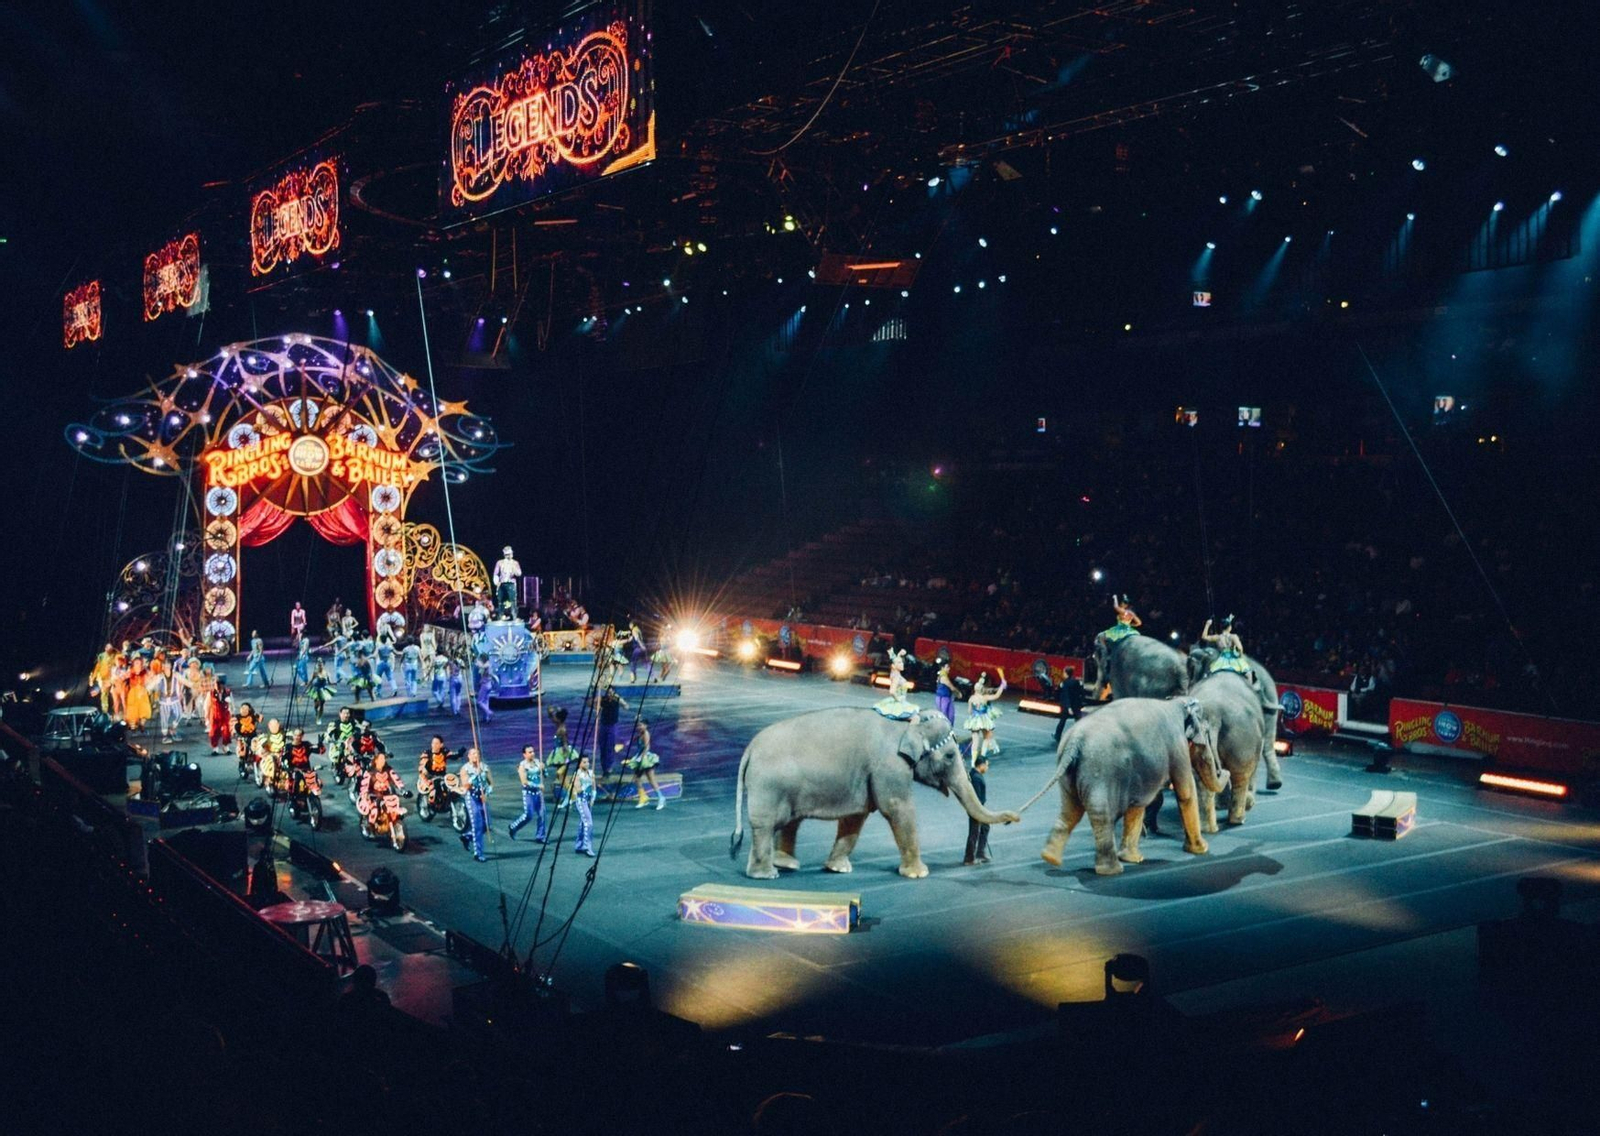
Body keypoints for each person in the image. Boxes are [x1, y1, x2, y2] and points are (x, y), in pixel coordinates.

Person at [457, 747, 493, 862]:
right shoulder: (465, 769)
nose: (475, 756)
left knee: (487, 826)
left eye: (477, 754)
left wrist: (487, 793)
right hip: (472, 798)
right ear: (468, 756)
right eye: (472, 754)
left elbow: (491, 783)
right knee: (477, 826)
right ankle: (478, 853)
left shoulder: (484, 767)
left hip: (482, 798)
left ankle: (467, 836)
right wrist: (474, 776)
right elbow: (466, 786)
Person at [963, 669, 1007, 761]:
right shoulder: (985, 698)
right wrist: (1002, 686)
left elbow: (969, 711)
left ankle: (973, 761)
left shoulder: (971, 698)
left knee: (975, 740)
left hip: (975, 720)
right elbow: (996, 695)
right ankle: (983, 756)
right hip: (983, 719)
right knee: (986, 738)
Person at [623, 720, 666, 810]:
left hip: (645, 759)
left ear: (646, 725)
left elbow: (647, 747)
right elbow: (635, 739)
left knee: (651, 779)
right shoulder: (640, 734)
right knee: (637, 779)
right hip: (640, 756)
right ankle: (643, 797)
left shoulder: (646, 733)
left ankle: (661, 797)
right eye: (638, 725)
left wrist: (642, 759)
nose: (639, 727)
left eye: (641, 725)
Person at [508, 744, 547, 842]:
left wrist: (544, 769)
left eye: (533, 751)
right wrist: (538, 786)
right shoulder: (522, 766)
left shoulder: (538, 762)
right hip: (528, 793)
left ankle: (540, 836)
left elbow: (545, 775)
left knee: (542, 814)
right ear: (524, 755)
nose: (532, 754)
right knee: (528, 815)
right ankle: (514, 827)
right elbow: (524, 782)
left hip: (538, 793)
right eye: (530, 752)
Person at [1201, 615, 1255, 684]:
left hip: (1221, 660)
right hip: (1233, 658)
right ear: (1229, 627)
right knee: (1248, 674)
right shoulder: (1233, 636)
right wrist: (1240, 656)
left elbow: (1204, 637)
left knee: (1208, 673)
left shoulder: (1217, 637)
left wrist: (1207, 624)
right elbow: (1240, 648)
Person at [962, 754, 992, 865]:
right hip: (976, 809)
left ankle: (980, 852)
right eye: (987, 766)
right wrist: (979, 812)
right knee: (974, 832)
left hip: (978, 808)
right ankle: (969, 858)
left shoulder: (974, 774)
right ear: (982, 765)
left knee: (985, 827)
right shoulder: (976, 778)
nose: (987, 768)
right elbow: (977, 798)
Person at [872, 649, 918, 720]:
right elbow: (892, 691)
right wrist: (898, 699)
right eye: (899, 663)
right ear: (893, 666)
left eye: (902, 662)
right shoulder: (896, 677)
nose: (902, 664)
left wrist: (899, 654)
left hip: (901, 700)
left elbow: (894, 660)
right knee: (915, 718)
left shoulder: (895, 673)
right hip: (898, 702)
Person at [547, 707, 578, 806]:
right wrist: (551, 711)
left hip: (563, 754)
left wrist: (566, 759)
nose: (553, 719)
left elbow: (565, 744)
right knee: (560, 776)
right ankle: (564, 796)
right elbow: (551, 717)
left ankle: (572, 795)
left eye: (555, 717)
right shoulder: (559, 725)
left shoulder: (562, 729)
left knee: (561, 775)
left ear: (559, 719)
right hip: (558, 752)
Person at [1053, 665, 1086, 746]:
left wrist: (1068, 707)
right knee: (1078, 721)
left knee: (1062, 720)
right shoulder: (1077, 681)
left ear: (1066, 673)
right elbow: (1081, 692)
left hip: (1068, 706)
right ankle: (1081, 736)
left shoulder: (1065, 683)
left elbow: (1065, 695)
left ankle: (1057, 735)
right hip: (1076, 704)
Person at [571, 755, 597, 857]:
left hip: (589, 801)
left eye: (588, 762)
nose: (587, 764)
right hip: (581, 801)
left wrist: (593, 798)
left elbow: (594, 788)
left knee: (583, 823)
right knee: (589, 823)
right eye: (584, 762)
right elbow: (578, 789)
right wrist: (587, 783)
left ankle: (579, 845)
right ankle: (587, 846)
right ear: (580, 764)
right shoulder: (576, 775)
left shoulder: (591, 773)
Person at [597, 686, 625, 776]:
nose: (609, 694)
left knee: (609, 746)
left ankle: (608, 768)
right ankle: (604, 767)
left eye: (611, 692)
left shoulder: (617, 700)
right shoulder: (603, 700)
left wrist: (620, 700)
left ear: (614, 693)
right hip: (603, 725)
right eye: (608, 692)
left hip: (612, 726)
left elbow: (626, 706)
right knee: (602, 747)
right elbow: (594, 706)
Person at [124, 656, 153, 733]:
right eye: (136, 663)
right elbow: (123, 677)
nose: (138, 665)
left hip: (142, 692)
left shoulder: (145, 671)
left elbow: (151, 677)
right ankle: (133, 726)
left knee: (144, 709)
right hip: (133, 692)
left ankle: (142, 725)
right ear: (133, 664)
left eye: (139, 663)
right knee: (132, 710)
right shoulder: (130, 671)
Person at [206, 673, 233, 754]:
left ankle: (226, 747)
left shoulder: (228, 692)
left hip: (225, 715)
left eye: (222, 684)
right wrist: (206, 717)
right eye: (218, 684)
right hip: (214, 715)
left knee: (226, 731)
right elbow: (207, 705)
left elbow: (231, 704)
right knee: (214, 731)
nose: (220, 686)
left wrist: (232, 712)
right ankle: (215, 748)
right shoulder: (210, 693)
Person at [492, 546, 521, 618]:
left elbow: (519, 573)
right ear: (505, 555)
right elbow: (496, 573)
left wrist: (513, 567)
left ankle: (514, 615)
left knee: (513, 600)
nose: (511, 555)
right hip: (502, 583)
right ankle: (501, 615)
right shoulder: (500, 562)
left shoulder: (515, 563)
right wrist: (497, 582)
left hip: (511, 584)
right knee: (501, 600)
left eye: (511, 553)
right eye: (509, 554)